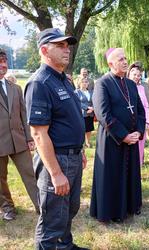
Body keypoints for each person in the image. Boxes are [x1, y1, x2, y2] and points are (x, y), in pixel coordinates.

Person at [24, 28, 88, 250]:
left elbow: (69, 119)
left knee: (69, 209)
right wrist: (56, 173)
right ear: (44, 50)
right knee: (52, 218)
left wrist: (80, 151)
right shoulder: (39, 83)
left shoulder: (63, 80)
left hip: (72, 156)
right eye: (59, 45)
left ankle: (65, 245)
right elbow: (39, 133)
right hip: (56, 160)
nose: (66, 49)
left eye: (67, 45)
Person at [90, 48, 145, 222]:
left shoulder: (130, 84)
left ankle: (130, 206)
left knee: (130, 175)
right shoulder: (102, 83)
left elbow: (140, 110)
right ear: (110, 63)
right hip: (112, 139)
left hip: (132, 138)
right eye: (120, 59)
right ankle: (112, 211)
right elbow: (103, 114)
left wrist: (139, 132)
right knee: (113, 176)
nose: (125, 61)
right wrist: (123, 136)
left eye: (125, 58)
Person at [0, 49, 38, 221]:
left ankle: (41, 205)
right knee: (0, 178)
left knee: (30, 172)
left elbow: (24, 115)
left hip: (19, 140)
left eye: (4, 61)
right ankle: (7, 207)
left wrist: (30, 138)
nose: (3, 65)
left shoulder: (15, 88)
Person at [127, 62, 149, 166]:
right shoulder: (124, 86)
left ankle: (139, 166)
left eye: (139, 75)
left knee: (140, 145)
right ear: (129, 74)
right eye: (134, 75)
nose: (137, 77)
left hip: (140, 121)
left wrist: (147, 121)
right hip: (128, 121)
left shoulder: (141, 88)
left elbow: (146, 106)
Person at [75, 77, 95, 148]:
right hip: (82, 114)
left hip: (91, 113)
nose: (85, 83)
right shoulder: (77, 92)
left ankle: (87, 142)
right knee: (82, 129)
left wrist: (92, 108)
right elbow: (77, 102)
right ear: (79, 83)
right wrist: (87, 108)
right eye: (83, 82)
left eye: (86, 82)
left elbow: (95, 101)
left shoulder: (91, 92)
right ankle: (82, 143)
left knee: (89, 128)